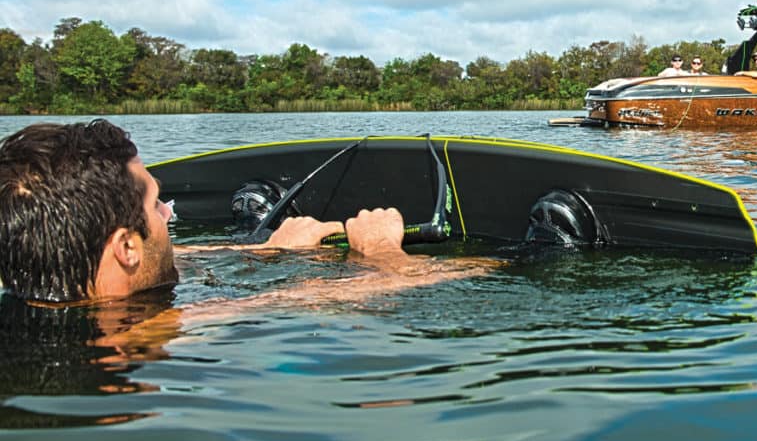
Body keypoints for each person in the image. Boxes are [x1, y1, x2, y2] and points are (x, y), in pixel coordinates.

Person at [0, 120, 471, 305]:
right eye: (157, 205)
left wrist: (267, 249)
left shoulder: (46, 287)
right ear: (125, 246)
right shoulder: (137, 339)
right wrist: (384, 252)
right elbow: (397, 288)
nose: (168, 212)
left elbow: (162, 256)